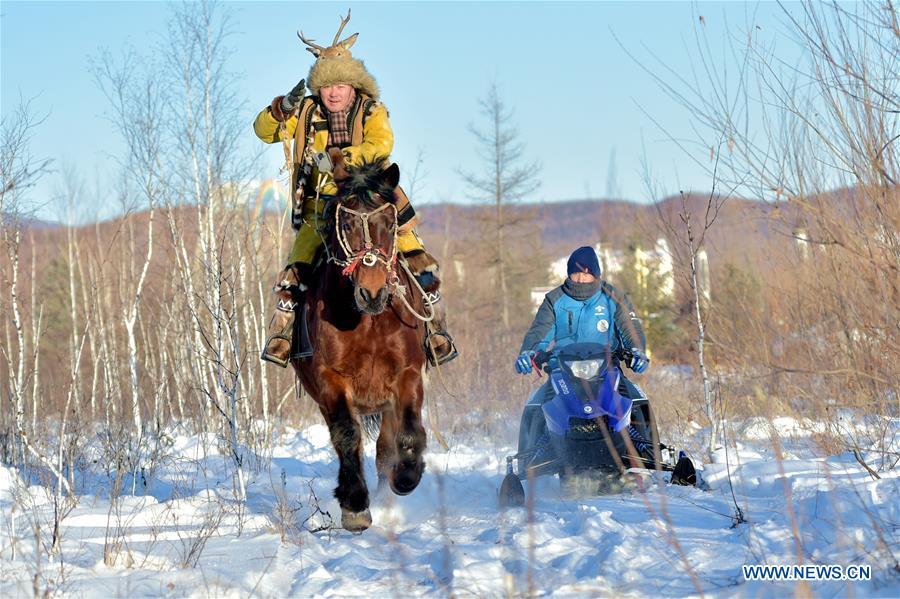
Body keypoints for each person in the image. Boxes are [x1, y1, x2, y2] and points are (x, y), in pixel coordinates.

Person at [253, 12, 456, 368]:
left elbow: (382, 144)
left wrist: (340, 160)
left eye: (340, 86)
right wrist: (281, 108)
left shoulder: (372, 110)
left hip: (369, 196)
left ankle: (435, 328)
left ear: (353, 86)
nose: (333, 93)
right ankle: (283, 332)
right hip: (321, 205)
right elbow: (263, 132)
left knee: (413, 252)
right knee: (298, 265)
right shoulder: (303, 113)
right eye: (327, 87)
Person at [514, 246, 651, 458]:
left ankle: (648, 453)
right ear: (568, 274)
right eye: (576, 274)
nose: (581, 279)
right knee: (536, 405)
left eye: (587, 274)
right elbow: (539, 332)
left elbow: (630, 329)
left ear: (596, 275)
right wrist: (529, 353)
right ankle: (528, 461)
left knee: (636, 399)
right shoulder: (554, 299)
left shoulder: (613, 297)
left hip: (607, 367)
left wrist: (637, 350)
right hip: (563, 369)